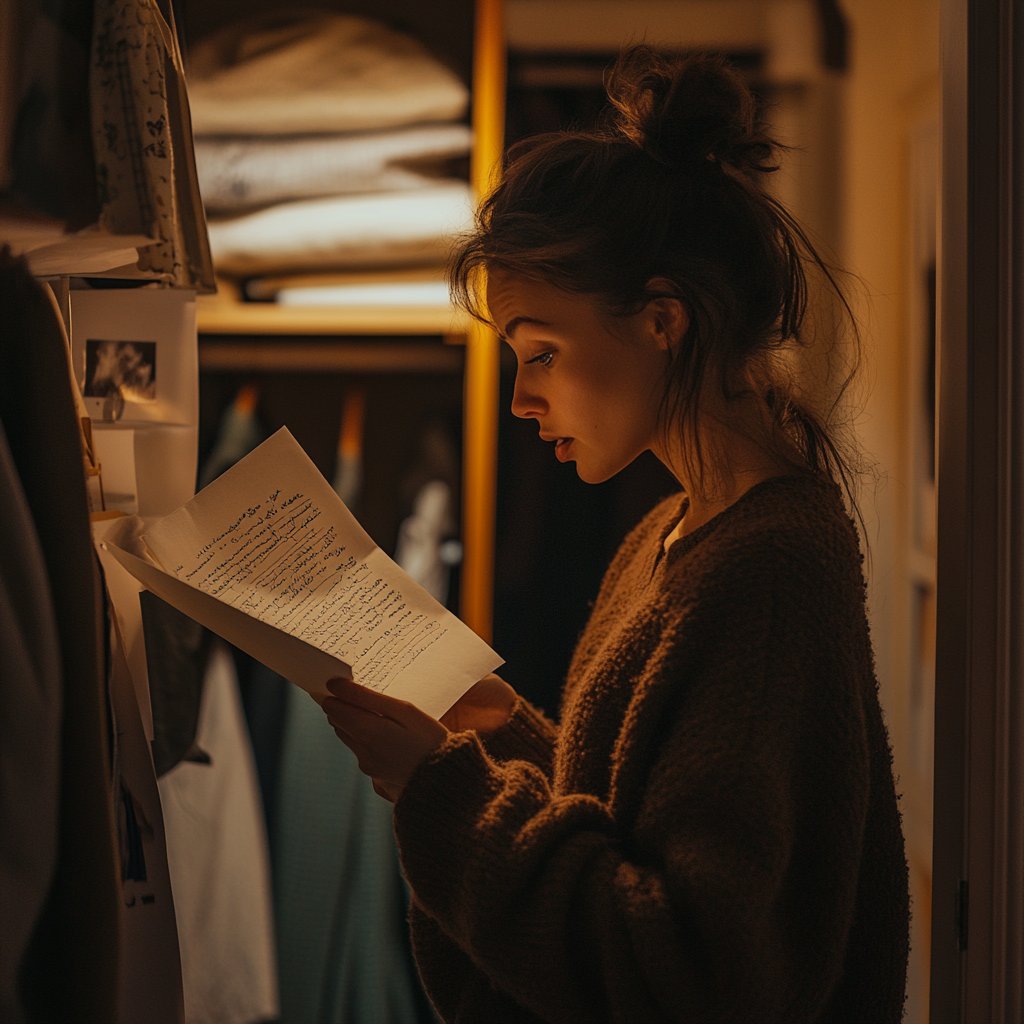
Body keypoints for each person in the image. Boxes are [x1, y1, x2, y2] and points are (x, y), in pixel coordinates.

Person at [320, 47, 910, 1023]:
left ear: (661, 320)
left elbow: (688, 967)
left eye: (540, 351)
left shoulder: (766, 569)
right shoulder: (673, 529)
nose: (519, 398)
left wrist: (441, 787)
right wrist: (504, 732)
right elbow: (640, 824)